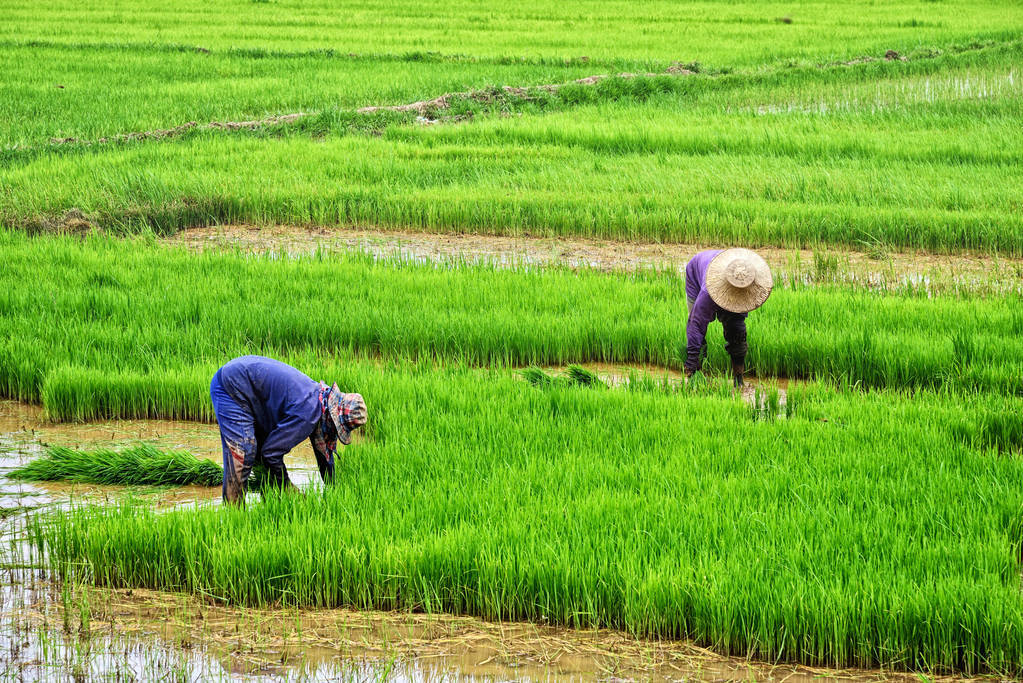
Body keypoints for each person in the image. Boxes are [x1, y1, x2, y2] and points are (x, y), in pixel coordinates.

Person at [209, 355, 367, 504]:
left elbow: (323, 451)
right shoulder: (308, 413)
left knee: (260, 452)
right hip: (231, 387)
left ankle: (270, 504)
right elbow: (271, 453)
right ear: (332, 418)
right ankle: (234, 517)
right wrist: (286, 486)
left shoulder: (320, 400)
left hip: (253, 392)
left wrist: (334, 491)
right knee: (243, 452)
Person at [684, 248, 773, 387]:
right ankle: (696, 376)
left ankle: (739, 380)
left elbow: (738, 326)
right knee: (697, 329)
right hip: (696, 274)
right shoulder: (707, 292)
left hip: (729, 268)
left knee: (737, 330)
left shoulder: (747, 278)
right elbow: (695, 324)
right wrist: (691, 359)